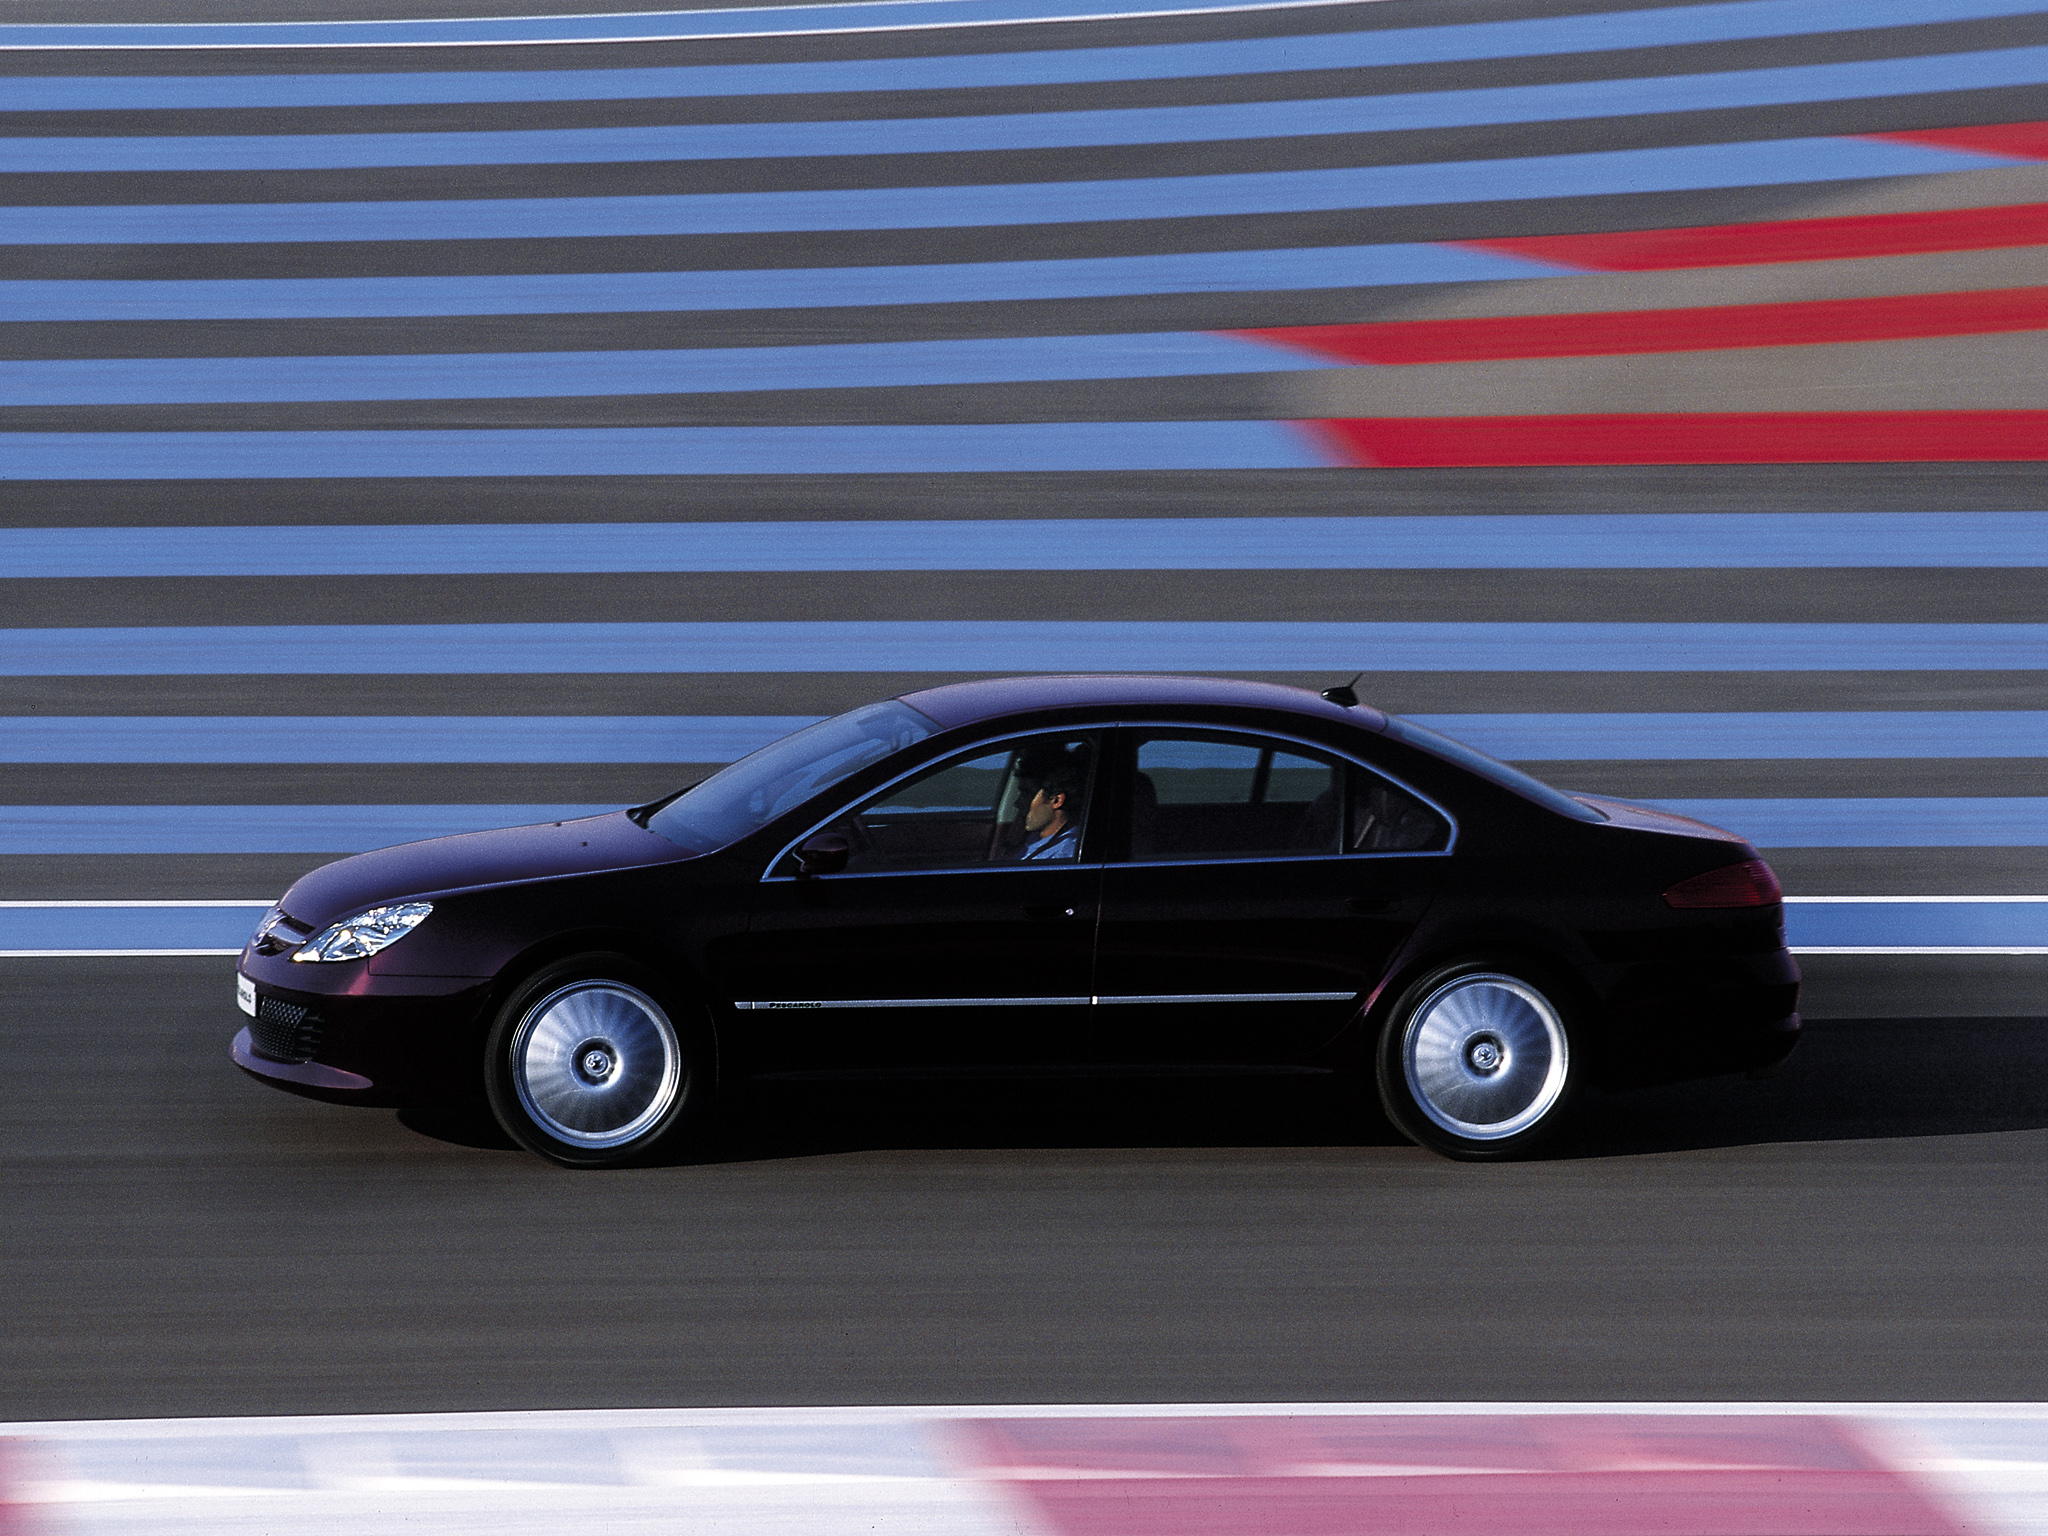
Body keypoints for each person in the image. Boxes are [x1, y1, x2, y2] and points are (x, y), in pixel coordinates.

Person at [1013, 758, 1084, 861]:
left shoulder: (1063, 855)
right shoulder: (1035, 841)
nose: (1017, 803)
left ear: (1056, 800)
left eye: (1027, 794)